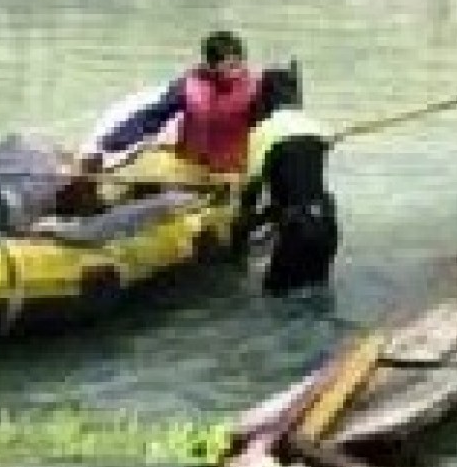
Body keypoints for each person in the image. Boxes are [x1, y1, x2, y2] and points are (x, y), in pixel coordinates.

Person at [85, 31, 261, 180]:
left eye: (239, 64)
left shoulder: (256, 88)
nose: (237, 73)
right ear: (209, 65)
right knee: (147, 156)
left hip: (234, 172)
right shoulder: (188, 86)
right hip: (191, 167)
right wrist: (107, 145)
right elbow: (149, 119)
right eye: (230, 67)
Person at [233, 65, 340, 295]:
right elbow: (300, 180)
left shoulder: (263, 132)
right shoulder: (319, 128)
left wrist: (237, 245)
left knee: (275, 297)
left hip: (296, 229)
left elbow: (250, 193)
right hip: (327, 224)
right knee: (315, 295)